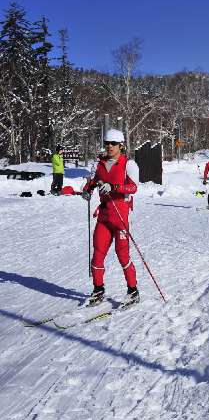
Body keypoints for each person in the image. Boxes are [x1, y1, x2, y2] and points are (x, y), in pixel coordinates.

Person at [80, 129, 139, 306]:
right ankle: (98, 290)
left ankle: (133, 290)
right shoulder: (100, 164)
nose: (109, 147)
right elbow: (94, 181)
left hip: (120, 217)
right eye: (107, 143)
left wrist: (113, 187)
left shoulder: (129, 164)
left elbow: (133, 188)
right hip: (104, 217)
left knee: (122, 255)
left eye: (113, 143)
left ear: (121, 145)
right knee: (97, 255)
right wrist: (87, 190)